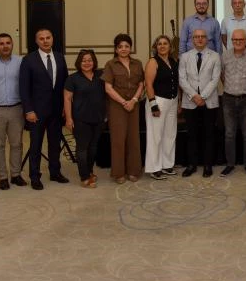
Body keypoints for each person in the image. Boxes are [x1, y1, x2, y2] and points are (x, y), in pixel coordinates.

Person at [19, 28, 69, 190]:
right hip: (36, 112)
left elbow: (65, 84)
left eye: (48, 37)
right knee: (36, 145)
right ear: (36, 41)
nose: (45, 41)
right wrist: (28, 110)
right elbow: (24, 88)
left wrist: (65, 107)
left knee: (55, 144)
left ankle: (55, 172)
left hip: (56, 110)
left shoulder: (60, 57)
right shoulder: (28, 60)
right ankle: (35, 176)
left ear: (52, 39)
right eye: (41, 38)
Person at [179, 29, 221, 178]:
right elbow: (182, 79)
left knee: (208, 134)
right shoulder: (185, 57)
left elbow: (215, 79)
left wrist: (202, 97)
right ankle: (192, 165)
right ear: (192, 40)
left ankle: (208, 165)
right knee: (192, 135)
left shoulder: (215, 56)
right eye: (197, 37)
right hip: (190, 102)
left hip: (209, 102)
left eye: (203, 36)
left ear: (207, 39)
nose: (200, 39)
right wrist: (194, 96)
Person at [102, 33, 144, 184]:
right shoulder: (110, 64)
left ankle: (133, 171)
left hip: (134, 105)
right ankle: (119, 173)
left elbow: (141, 84)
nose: (124, 49)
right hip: (117, 106)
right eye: (120, 47)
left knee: (134, 138)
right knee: (118, 139)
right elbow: (108, 88)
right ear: (116, 49)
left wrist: (133, 100)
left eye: (127, 46)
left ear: (130, 48)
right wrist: (124, 102)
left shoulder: (137, 63)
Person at [64, 49, 105, 188]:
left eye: (89, 60)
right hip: (80, 119)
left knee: (93, 148)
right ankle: (84, 177)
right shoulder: (72, 78)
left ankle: (90, 171)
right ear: (79, 62)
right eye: (84, 61)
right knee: (82, 149)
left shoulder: (101, 76)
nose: (87, 63)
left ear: (94, 62)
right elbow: (67, 99)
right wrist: (69, 119)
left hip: (98, 118)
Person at [220, 29, 246, 177]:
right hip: (228, 99)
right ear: (231, 41)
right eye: (235, 40)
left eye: (241, 40)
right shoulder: (225, 56)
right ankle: (230, 164)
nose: (238, 42)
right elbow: (222, 74)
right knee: (229, 133)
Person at [0, 33, 26, 190]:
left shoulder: (21, 62)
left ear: (12, 45)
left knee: (16, 144)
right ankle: (2, 177)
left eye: (8, 43)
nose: (5, 46)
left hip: (16, 109)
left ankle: (16, 174)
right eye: (1, 43)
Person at [143, 35, 180, 180]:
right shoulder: (153, 62)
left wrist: (179, 102)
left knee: (170, 134)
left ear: (170, 47)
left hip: (172, 101)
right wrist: (153, 105)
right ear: (155, 47)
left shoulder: (173, 61)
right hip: (158, 101)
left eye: (165, 43)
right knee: (155, 136)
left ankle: (167, 164)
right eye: (159, 44)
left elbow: (177, 82)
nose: (162, 46)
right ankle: (154, 168)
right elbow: (148, 84)